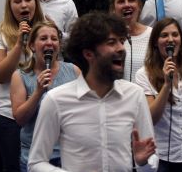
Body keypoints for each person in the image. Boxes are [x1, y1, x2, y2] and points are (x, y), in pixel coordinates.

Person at [28, 12, 159, 172]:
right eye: (111, 42)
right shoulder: (56, 100)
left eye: (122, 41)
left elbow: (151, 157)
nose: (121, 49)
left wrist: (143, 162)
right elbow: (35, 163)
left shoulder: (135, 95)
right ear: (88, 53)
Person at [0, 0, 45, 172]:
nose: (23, 5)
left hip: (42, 113)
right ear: (9, 6)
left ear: (35, 3)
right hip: (8, 115)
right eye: (17, 1)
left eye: (28, 0)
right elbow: (0, 75)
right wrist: (19, 44)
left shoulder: (46, 31)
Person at [10, 20, 80, 172]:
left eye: (54, 39)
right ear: (32, 45)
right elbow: (20, 119)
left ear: (59, 45)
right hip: (35, 157)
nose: (49, 43)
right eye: (43, 38)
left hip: (69, 157)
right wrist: (38, 92)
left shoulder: (74, 71)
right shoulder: (20, 76)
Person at [135, 18, 182, 171]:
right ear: (155, 43)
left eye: (175, 35)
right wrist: (166, 85)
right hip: (164, 157)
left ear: (181, 40)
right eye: (164, 35)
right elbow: (150, 119)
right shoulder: (143, 74)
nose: (170, 39)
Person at [111, 0, 153, 82]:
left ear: (139, 5)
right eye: (121, 1)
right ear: (113, 8)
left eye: (131, 0)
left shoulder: (152, 35)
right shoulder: (106, 38)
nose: (127, 5)